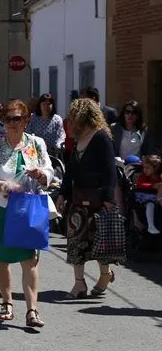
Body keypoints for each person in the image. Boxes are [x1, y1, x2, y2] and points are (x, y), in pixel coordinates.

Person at [0, 99, 52, 327]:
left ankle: (32, 310)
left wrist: (41, 173)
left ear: (27, 120)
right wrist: (4, 186)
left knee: (30, 259)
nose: (12, 123)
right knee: (1, 257)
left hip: (28, 208)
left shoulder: (37, 144)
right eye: (8, 118)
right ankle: (6, 302)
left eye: (17, 119)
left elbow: (49, 171)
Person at [57, 98, 122, 299]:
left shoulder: (102, 138)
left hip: (98, 197)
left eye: (74, 116)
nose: (70, 121)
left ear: (83, 116)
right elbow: (70, 172)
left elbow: (110, 170)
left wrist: (109, 198)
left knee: (99, 241)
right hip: (78, 198)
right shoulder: (78, 140)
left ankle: (105, 275)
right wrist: (62, 194)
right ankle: (79, 284)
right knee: (76, 241)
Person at [27, 93, 66, 158]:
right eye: (44, 104)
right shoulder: (33, 118)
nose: (46, 107)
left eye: (49, 104)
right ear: (39, 105)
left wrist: (58, 145)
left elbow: (61, 135)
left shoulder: (57, 119)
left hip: (52, 154)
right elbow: (28, 133)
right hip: (35, 153)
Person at [135, 155, 162, 235]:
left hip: (156, 197)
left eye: (148, 168)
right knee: (150, 204)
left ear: (156, 168)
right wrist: (153, 185)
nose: (145, 170)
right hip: (144, 196)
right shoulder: (143, 176)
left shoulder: (159, 176)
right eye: (144, 167)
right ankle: (151, 226)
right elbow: (140, 184)